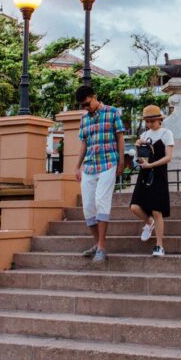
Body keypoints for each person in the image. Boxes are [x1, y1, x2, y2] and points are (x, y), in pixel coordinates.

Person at [75, 86, 125, 263]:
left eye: (87, 104)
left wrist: (121, 161)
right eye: (83, 106)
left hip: (108, 162)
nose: (86, 107)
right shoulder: (84, 119)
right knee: (88, 207)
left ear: (94, 97)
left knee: (101, 202)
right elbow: (84, 143)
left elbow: (120, 137)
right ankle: (97, 244)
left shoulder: (112, 112)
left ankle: (102, 248)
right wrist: (77, 166)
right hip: (89, 166)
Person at [129, 105, 173, 257]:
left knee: (156, 210)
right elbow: (139, 159)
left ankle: (159, 245)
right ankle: (149, 223)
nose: (150, 124)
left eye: (152, 120)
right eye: (147, 121)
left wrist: (151, 165)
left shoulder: (167, 133)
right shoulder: (145, 135)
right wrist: (137, 148)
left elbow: (168, 157)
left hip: (159, 174)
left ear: (159, 119)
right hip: (144, 174)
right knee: (134, 207)